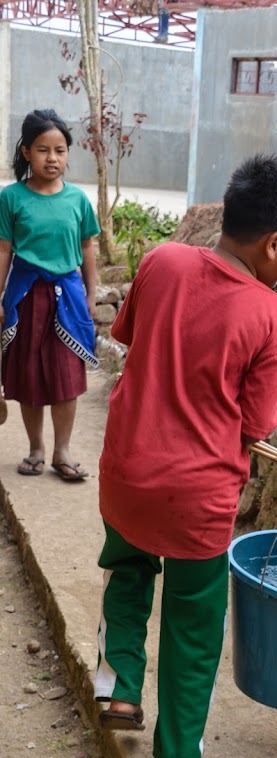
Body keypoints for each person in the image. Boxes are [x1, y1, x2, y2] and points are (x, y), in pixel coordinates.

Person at [94, 153, 277, 758]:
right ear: (276, 243)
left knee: (125, 579)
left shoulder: (161, 261)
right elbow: (255, 422)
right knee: (195, 628)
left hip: (126, 477)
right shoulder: (271, 317)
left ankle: (116, 692)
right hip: (198, 501)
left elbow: (131, 337)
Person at [0, 109, 99, 480]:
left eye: (60, 150)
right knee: (27, 376)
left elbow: (87, 248)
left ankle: (62, 451)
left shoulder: (77, 200)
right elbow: (3, 251)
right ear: (26, 152)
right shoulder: (11, 199)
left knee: (66, 376)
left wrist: (91, 294)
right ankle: (35, 449)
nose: (52, 158)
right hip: (25, 297)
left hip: (68, 299)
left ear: (68, 153)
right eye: (42, 150)